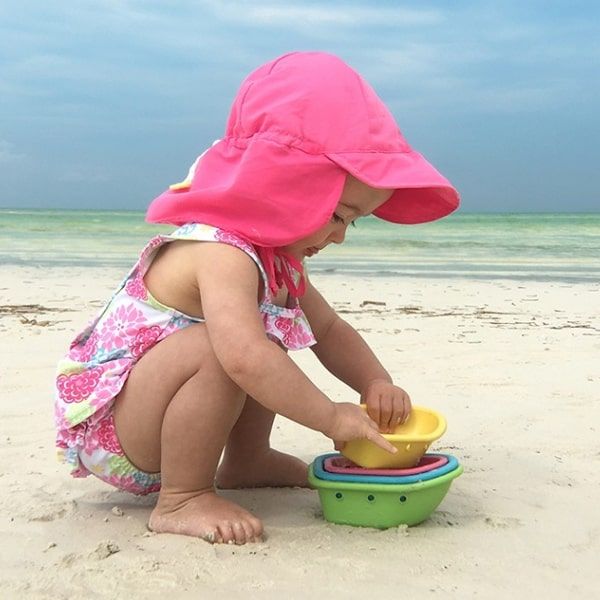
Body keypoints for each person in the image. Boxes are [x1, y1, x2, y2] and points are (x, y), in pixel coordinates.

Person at [54, 51, 459, 545]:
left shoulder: (279, 262)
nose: (341, 237)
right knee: (230, 348)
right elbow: (244, 358)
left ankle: (248, 459)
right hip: (120, 428)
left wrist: (374, 382)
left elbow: (329, 331)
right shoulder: (221, 251)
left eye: (353, 222)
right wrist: (329, 417)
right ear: (281, 183)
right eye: (337, 215)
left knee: (266, 334)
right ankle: (183, 497)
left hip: (158, 415)